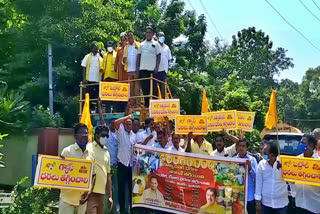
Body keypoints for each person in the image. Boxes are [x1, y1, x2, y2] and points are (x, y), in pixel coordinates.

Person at [59, 123, 89, 214]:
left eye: (86, 133)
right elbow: (60, 174)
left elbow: (93, 176)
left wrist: (88, 193)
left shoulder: (90, 153)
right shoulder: (67, 152)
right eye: (81, 133)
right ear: (75, 136)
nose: (84, 135)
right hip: (67, 200)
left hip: (82, 200)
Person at [255, 141, 289, 214]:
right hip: (266, 204)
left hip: (281, 204)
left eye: (265, 152)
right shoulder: (261, 164)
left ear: (272, 154)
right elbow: (258, 184)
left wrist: (283, 168)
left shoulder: (283, 163)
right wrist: (258, 203)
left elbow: (291, 180)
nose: (263, 153)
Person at [86, 125, 112, 214]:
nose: (105, 138)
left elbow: (108, 175)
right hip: (90, 193)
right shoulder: (88, 148)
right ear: (97, 136)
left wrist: (110, 196)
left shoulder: (106, 152)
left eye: (107, 136)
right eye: (103, 135)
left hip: (101, 194)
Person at [294, 134, 320, 214]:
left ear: (312, 146)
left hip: (313, 205)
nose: (301, 145)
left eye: (304, 143)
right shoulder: (296, 161)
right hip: (299, 203)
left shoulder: (318, 162)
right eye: (300, 142)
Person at [114, 113, 135, 214]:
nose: (128, 125)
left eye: (130, 124)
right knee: (121, 189)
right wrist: (127, 117)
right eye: (126, 124)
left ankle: (132, 209)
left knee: (132, 190)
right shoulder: (120, 132)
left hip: (131, 166)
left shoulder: (133, 136)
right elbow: (115, 123)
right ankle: (122, 210)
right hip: (122, 164)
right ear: (124, 124)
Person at [136, 26, 161, 107]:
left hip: (152, 70)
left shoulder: (156, 44)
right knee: (145, 89)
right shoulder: (142, 44)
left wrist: (157, 67)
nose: (148, 34)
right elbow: (139, 56)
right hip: (143, 69)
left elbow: (158, 55)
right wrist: (137, 68)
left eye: (149, 32)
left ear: (153, 34)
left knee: (153, 90)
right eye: (146, 32)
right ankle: (147, 106)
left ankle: (154, 106)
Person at [235, 139, 257, 214]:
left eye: (243, 146)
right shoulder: (233, 159)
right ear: (237, 147)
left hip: (249, 195)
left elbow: (256, 176)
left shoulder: (252, 160)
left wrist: (250, 167)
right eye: (240, 146)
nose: (241, 148)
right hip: (237, 194)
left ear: (247, 148)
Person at [123, 32, 140, 107]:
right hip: (129, 70)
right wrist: (123, 60)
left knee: (137, 89)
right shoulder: (126, 48)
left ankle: (138, 105)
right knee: (131, 90)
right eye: (128, 37)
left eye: (131, 37)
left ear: (134, 37)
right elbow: (123, 62)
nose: (130, 38)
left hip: (137, 71)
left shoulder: (138, 45)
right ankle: (132, 105)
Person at [154, 32, 172, 98]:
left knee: (163, 88)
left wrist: (169, 67)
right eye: (161, 35)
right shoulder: (154, 45)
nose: (162, 37)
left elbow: (170, 58)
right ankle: (155, 103)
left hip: (164, 70)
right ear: (157, 37)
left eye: (163, 36)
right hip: (156, 70)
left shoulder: (167, 47)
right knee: (155, 88)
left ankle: (163, 102)